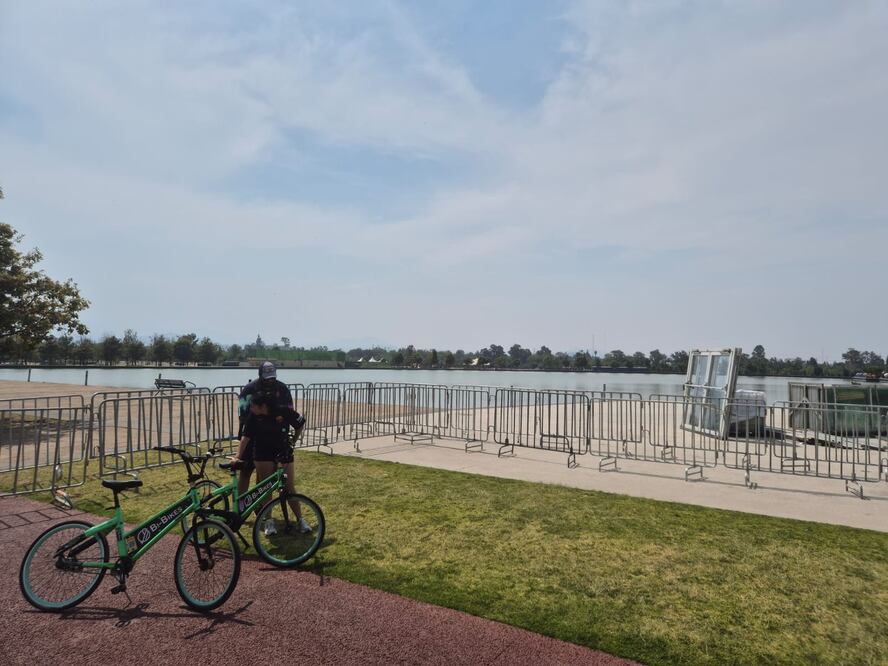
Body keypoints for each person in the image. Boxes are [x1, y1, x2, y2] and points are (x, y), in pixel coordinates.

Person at [232, 391, 310, 535]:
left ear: (262, 406)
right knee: (267, 488)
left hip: (283, 452)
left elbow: (300, 424)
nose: (250, 409)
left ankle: (300, 520)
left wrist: (293, 441)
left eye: (253, 406)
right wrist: (237, 456)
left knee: (289, 486)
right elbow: (245, 439)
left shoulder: (283, 411)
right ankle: (269, 521)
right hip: (262, 454)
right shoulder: (253, 418)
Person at [235, 361, 294, 494]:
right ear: (260, 375)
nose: (270, 381)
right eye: (267, 378)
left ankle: (262, 510)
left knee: (264, 478)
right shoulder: (249, 389)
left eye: (273, 377)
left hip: (272, 439)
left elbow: (289, 412)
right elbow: (243, 415)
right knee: (245, 472)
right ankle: (240, 507)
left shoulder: (282, 389)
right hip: (251, 437)